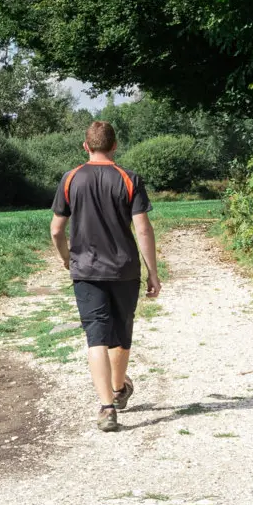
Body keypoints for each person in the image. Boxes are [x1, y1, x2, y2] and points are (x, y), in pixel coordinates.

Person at [49, 120, 160, 432]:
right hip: (125, 270)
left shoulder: (70, 179)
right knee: (121, 335)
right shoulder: (128, 178)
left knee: (96, 337)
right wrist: (153, 272)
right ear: (115, 146)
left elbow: (57, 230)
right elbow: (142, 228)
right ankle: (118, 388)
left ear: (86, 146)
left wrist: (67, 259)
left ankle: (107, 407)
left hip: (85, 269)